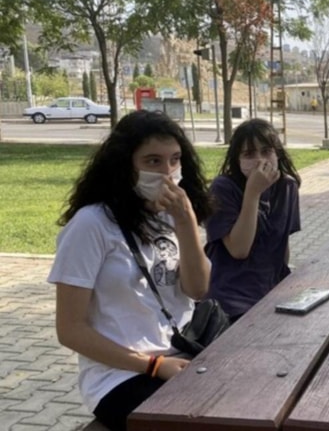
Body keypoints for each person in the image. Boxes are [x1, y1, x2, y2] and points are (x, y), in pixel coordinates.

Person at [48, 110, 213, 430]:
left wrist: (186, 222)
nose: (168, 172)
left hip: (183, 353)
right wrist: (153, 365)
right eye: (153, 161)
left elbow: (198, 289)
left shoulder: (173, 215)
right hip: (120, 377)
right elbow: (70, 329)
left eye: (175, 159)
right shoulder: (91, 224)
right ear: (124, 165)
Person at [205, 118, 301, 323]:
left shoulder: (287, 187)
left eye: (266, 151)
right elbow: (239, 249)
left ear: (277, 153)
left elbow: (281, 245)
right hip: (231, 299)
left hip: (272, 292)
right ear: (237, 159)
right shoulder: (222, 188)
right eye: (249, 154)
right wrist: (253, 193)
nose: (260, 160)